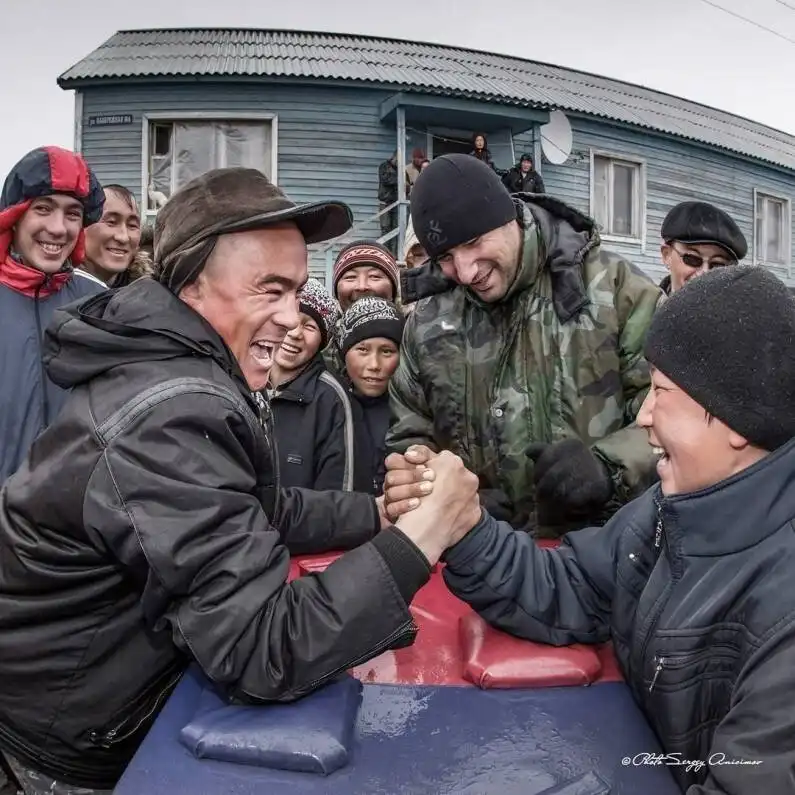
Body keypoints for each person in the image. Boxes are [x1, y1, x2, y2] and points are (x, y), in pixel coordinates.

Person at [0, 167, 469, 794]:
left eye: (296, 290)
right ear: (191, 286)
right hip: (65, 746)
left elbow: (252, 508)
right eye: (269, 289)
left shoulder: (181, 363)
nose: (292, 318)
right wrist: (424, 535)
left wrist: (379, 514)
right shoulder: (167, 412)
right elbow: (262, 645)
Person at [386, 265, 795, 794]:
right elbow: (572, 587)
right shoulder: (671, 510)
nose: (643, 415)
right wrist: (465, 526)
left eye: (661, 391)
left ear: (734, 420)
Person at [389, 153, 661, 536]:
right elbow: (410, 433)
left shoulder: (616, 290)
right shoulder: (427, 323)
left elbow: (679, 412)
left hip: (606, 546)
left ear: (509, 218)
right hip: (480, 554)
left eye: (473, 242)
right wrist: (436, 487)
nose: (465, 272)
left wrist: (609, 468)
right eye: (446, 257)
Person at [0, 146, 105, 483]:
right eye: (43, 209)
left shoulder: (100, 303)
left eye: (73, 214)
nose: (58, 228)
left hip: (74, 507)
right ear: (15, 216)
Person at [268, 278, 356, 491]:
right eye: (290, 318)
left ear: (322, 342)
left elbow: (338, 492)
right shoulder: (244, 382)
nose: (295, 333)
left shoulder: (331, 397)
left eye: (309, 326)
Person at [338, 297, 404, 495]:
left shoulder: (413, 412)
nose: (374, 365)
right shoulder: (329, 406)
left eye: (387, 351)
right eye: (362, 350)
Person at [658, 201, 745, 295]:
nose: (704, 273)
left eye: (717, 266)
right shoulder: (648, 302)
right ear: (667, 255)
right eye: (692, 259)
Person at [81, 184, 152, 288]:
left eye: (132, 225)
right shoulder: (59, 292)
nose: (123, 237)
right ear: (82, 227)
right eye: (111, 222)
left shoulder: (148, 292)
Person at [377, 152, 398, 256]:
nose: (399, 162)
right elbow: (386, 180)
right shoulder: (384, 166)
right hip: (385, 202)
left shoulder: (399, 169)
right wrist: (398, 179)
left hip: (396, 203)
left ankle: (393, 254)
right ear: (394, 157)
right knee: (385, 228)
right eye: (398, 159)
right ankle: (384, 253)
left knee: (395, 229)